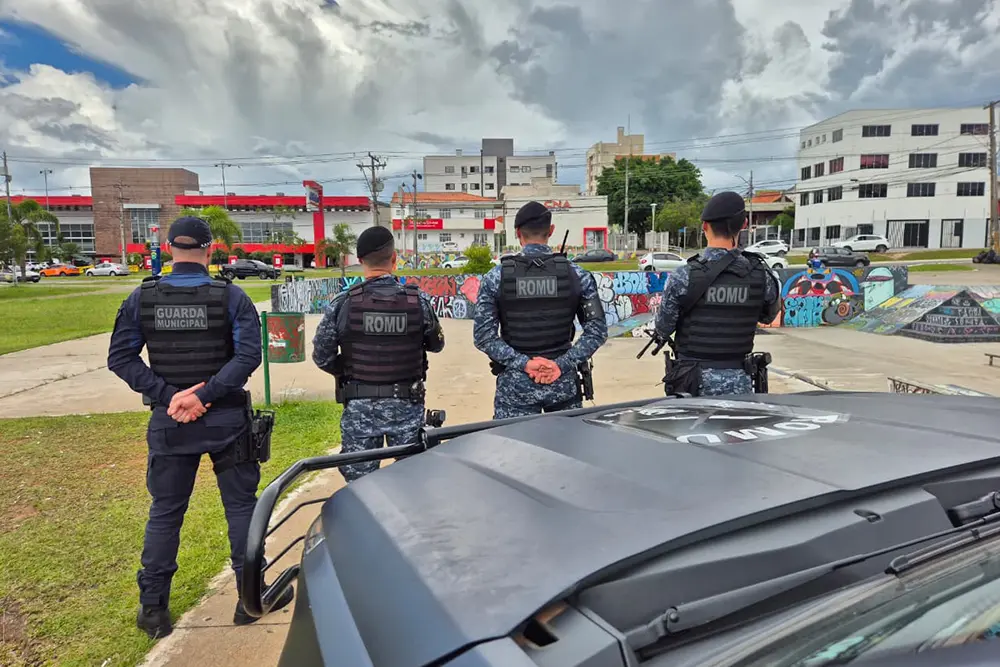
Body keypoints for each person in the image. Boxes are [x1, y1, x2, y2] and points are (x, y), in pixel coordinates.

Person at [107, 216, 292, 640]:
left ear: (169, 247)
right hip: (225, 419)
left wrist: (169, 395)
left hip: (171, 421)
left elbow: (121, 358)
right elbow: (248, 357)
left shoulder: (142, 297)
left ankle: (153, 610)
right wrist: (202, 395)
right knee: (241, 509)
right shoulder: (232, 298)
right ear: (211, 249)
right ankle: (252, 597)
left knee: (166, 513)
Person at [312, 226, 445, 483]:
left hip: (360, 409)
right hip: (406, 407)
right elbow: (436, 345)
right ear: (394, 259)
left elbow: (322, 355)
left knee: (360, 489)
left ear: (360, 261)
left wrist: (350, 368)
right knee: (410, 484)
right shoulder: (417, 302)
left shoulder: (343, 303)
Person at [473, 201, 608, 419]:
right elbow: (597, 331)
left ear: (518, 233)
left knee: (512, 452)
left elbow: (483, 337)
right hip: (562, 386)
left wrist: (525, 364)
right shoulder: (577, 275)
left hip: (515, 391)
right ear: (551, 231)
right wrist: (562, 364)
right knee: (565, 452)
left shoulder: (495, 278)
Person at [653, 191, 781, 396]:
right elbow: (768, 316)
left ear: (704, 226)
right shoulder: (762, 275)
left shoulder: (683, 276)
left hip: (692, 384)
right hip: (741, 383)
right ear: (744, 224)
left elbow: (663, 327)